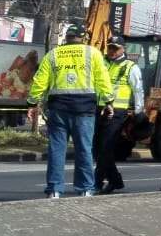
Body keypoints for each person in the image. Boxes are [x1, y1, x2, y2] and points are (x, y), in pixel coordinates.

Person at [28, 24, 112, 200]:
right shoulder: (92, 53)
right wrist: (108, 101)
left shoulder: (53, 55)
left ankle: (54, 190)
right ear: (83, 37)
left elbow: (40, 81)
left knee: (56, 150)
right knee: (84, 149)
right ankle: (85, 189)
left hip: (58, 109)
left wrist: (32, 103)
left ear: (66, 37)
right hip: (84, 109)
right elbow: (103, 79)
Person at [94, 37, 144, 194]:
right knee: (97, 149)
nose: (112, 51)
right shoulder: (102, 63)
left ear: (123, 49)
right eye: (110, 47)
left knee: (105, 148)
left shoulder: (130, 67)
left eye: (115, 48)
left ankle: (98, 183)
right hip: (99, 109)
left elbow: (138, 90)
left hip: (117, 112)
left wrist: (138, 111)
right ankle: (113, 180)